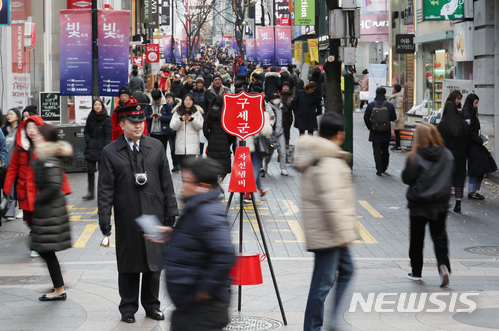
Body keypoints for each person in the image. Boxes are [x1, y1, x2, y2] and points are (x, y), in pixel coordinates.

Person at [98, 103, 179, 323]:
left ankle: (152, 305)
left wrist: (171, 209)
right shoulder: (110, 152)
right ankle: (128, 307)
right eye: (133, 123)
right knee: (129, 264)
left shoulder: (155, 146)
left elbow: (166, 181)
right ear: (122, 124)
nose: (138, 126)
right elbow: (105, 188)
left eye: (141, 122)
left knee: (154, 264)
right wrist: (104, 218)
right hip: (128, 215)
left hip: (154, 213)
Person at [147, 157, 236, 331]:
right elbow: (201, 241)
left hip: (202, 307)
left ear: (202, 186)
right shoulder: (199, 207)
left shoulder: (207, 211)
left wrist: (205, 290)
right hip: (190, 304)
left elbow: (225, 253)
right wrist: (173, 234)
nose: (182, 186)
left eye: (187, 182)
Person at [295, 112, 357, 331]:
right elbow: (332, 200)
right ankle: (316, 327)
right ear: (340, 135)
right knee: (322, 285)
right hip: (329, 233)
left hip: (327, 231)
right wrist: (343, 233)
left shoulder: (321, 155)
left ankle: (330, 321)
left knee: (345, 271)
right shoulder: (328, 159)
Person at [3, 115, 72, 258]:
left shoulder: (45, 148)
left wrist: (64, 189)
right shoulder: (21, 146)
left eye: (35, 127)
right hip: (23, 189)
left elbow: (57, 172)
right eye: (28, 127)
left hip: (39, 190)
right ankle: (38, 240)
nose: (31, 131)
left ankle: (39, 244)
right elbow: (13, 167)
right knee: (28, 218)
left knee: (37, 218)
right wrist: (7, 187)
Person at [402, 122, 453, 287]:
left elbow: (407, 178)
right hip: (440, 203)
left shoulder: (415, 156)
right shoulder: (447, 154)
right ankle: (443, 266)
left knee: (417, 239)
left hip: (419, 203)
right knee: (439, 237)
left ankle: (416, 272)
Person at [31, 124, 74, 301]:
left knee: (44, 249)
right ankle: (59, 286)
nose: (34, 135)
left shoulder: (49, 157)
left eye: (38, 133)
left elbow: (54, 186)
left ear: (45, 137)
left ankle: (59, 288)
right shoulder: (44, 153)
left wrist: (37, 201)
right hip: (49, 209)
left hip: (51, 210)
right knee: (43, 249)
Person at [437, 90, 468, 213]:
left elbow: (437, 140)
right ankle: (458, 204)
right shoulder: (463, 124)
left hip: (447, 156)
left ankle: (445, 201)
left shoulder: (443, 125)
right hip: (461, 156)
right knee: (459, 178)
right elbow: (468, 140)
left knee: (447, 177)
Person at [82, 99, 112, 200]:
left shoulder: (106, 119)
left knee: (103, 172)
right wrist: (88, 140)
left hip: (102, 148)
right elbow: (86, 131)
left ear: (102, 106)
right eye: (95, 105)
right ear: (93, 106)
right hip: (91, 147)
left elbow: (108, 135)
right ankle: (90, 192)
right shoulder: (90, 118)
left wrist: (106, 148)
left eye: (99, 105)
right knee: (90, 171)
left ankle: (102, 191)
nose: (97, 106)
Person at [363, 87, 397, 176]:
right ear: (385, 94)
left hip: (375, 131)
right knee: (385, 150)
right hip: (386, 131)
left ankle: (378, 169)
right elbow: (394, 118)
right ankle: (384, 167)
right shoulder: (389, 105)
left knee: (376, 151)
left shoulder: (371, 105)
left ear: (376, 94)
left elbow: (366, 118)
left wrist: (371, 127)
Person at [462, 93, 490, 200]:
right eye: (475, 103)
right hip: (472, 145)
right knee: (476, 168)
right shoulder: (468, 115)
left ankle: (473, 191)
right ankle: (472, 191)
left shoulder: (470, 114)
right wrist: (479, 140)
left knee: (479, 168)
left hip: (474, 144)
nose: (477, 105)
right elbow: (470, 132)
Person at [203, 95, 235, 181]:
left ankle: (215, 181)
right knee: (224, 166)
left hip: (212, 142)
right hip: (224, 142)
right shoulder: (226, 114)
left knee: (213, 165)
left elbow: (205, 130)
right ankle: (220, 178)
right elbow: (231, 131)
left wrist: (210, 138)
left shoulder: (208, 114)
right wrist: (229, 141)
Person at [170, 94, 204, 165]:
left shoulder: (197, 113)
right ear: (183, 101)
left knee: (191, 169)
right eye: (186, 100)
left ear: (193, 102)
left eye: (190, 100)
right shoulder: (177, 113)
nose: (188, 102)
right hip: (181, 146)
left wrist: (192, 120)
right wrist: (180, 119)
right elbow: (173, 126)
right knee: (183, 169)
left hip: (193, 146)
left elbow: (200, 126)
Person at [264, 93, 289, 176]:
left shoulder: (284, 109)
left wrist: (287, 133)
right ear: (270, 100)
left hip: (281, 132)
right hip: (272, 133)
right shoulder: (268, 108)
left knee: (282, 152)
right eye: (274, 98)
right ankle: (265, 166)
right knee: (269, 152)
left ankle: (283, 168)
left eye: (278, 98)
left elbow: (288, 121)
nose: (276, 100)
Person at [165, 93, 181, 172]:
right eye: (167, 98)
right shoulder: (165, 106)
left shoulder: (177, 107)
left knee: (177, 148)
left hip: (177, 130)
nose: (168, 99)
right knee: (172, 149)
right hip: (169, 131)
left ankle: (179, 164)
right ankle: (175, 165)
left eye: (170, 97)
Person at [389, 84, 404, 151]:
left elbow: (398, 108)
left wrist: (396, 118)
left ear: (396, 89)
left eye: (393, 88)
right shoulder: (395, 97)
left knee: (397, 132)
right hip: (395, 115)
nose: (392, 89)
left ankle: (398, 146)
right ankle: (397, 145)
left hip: (397, 117)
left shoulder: (398, 98)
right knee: (396, 131)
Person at [280, 82, 294, 148]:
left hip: (288, 117)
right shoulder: (278, 96)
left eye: (287, 87)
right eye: (284, 87)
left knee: (287, 132)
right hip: (280, 117)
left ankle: (286, 147)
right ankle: (280, 149)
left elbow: (294, 107)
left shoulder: (292, 97)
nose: (285, 88)